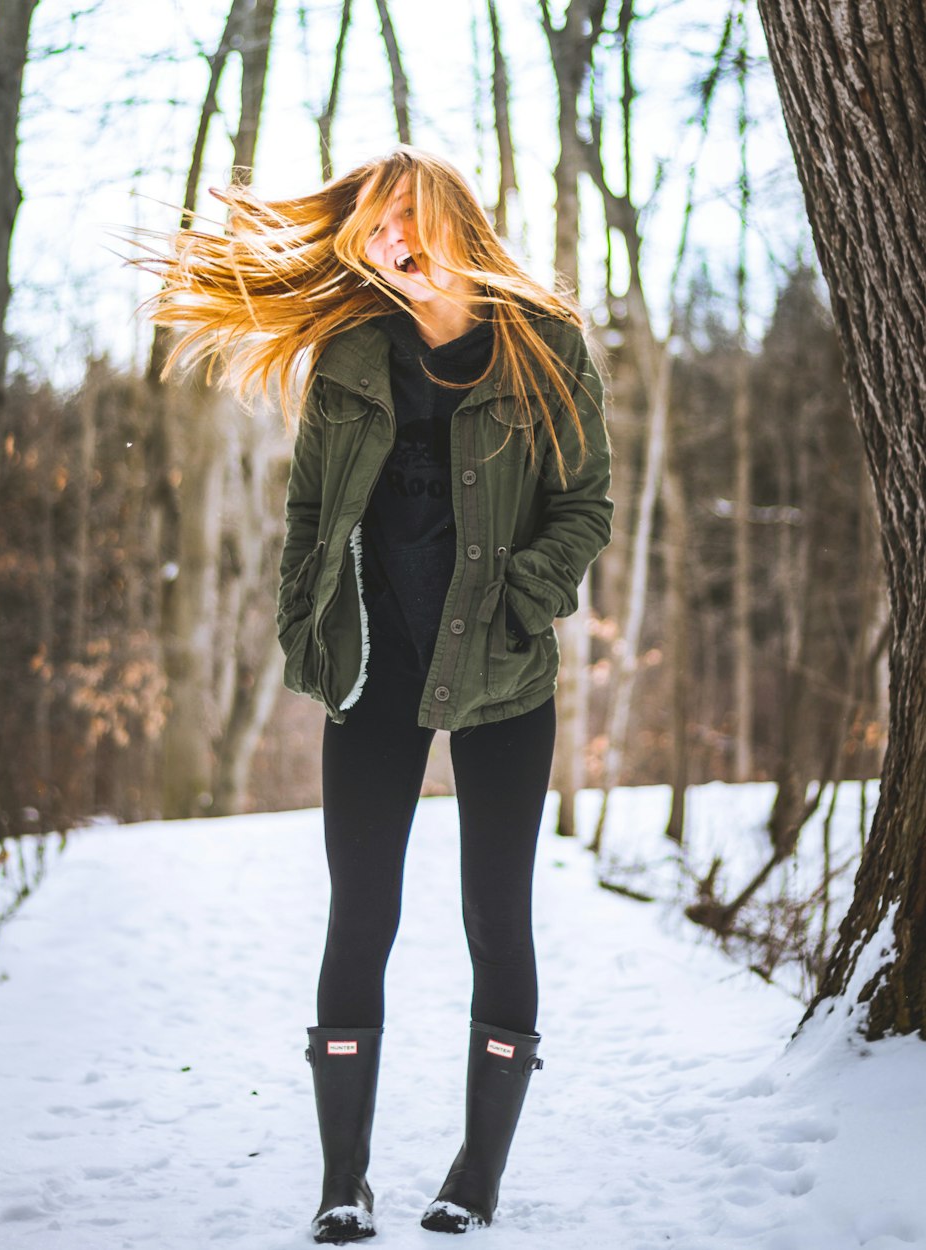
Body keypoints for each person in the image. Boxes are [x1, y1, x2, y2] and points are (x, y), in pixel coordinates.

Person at [139, 146, 612, 1244]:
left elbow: (582, 503)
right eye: (372, 229)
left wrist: (520, 599)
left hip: (500, 667)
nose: (392, 241)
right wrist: (306, 629)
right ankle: (341, 1181)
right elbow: (310, 513)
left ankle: (474, 1176)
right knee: (363, 914)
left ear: (450, 212)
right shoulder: (350, 356)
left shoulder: (545, 347)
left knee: (496, 915)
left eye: (405, 216)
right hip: (374, 670)